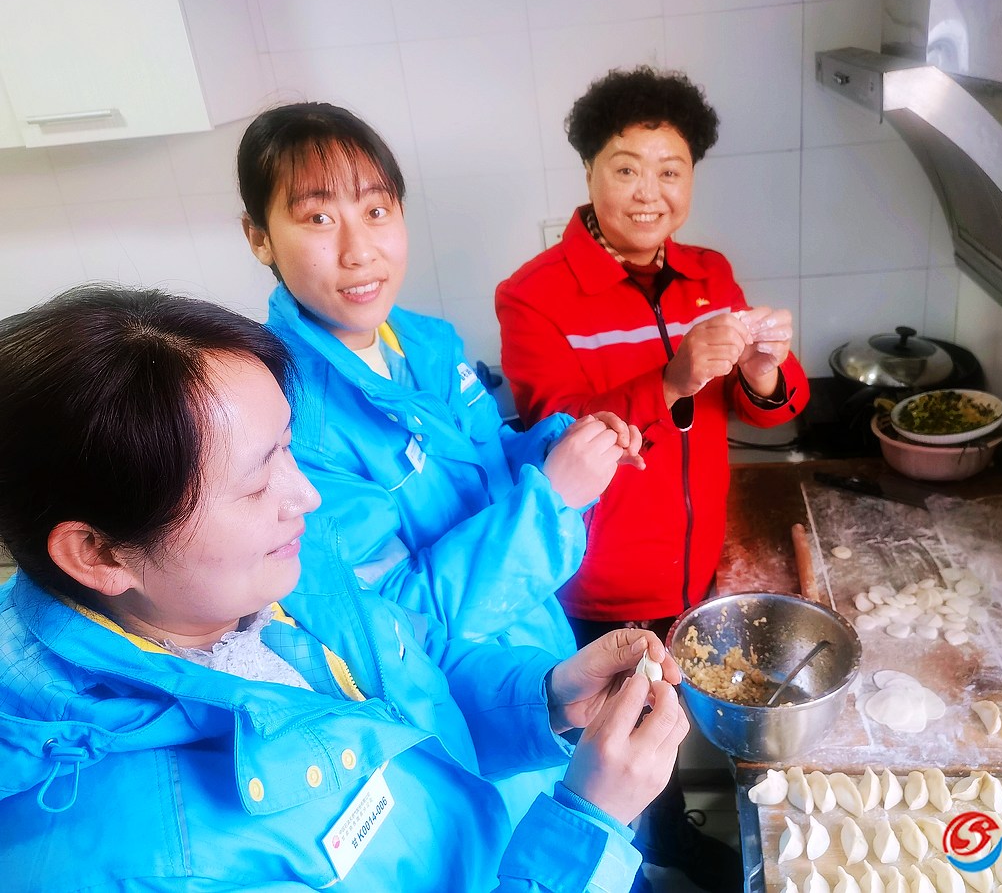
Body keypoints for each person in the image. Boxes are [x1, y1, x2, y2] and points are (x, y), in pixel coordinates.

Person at [0, 284, 689, 893]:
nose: (304, 496)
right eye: (255, 483)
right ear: (99, 553)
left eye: (288, 448)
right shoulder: (149, 864)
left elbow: (411, 668)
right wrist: (588, 823)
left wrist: (548, 698)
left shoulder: (262, 584)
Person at [237, 102, 644, 822]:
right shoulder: (288, 421)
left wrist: (558, 444)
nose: (359, 251)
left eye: (376, 211)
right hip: (464, 712)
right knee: (531, 842)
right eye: (319, 219)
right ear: (259, 237)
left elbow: (484, 463)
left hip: (538, 645)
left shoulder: (423, 342)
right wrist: (552, 501)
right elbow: (400, 623)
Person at [496, 66, 810, 890]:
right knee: (611, 743)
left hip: (693, 568)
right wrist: (670, 379)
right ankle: (629, 868)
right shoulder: (533, 297)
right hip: (600, 581)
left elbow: (769, 412)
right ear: (589, 171)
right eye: (626, 168)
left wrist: (767, 371)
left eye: (670, 170)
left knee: (668, 728)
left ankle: (668, 848)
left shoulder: (710, 274)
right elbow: (555, 437)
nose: (649, 193)